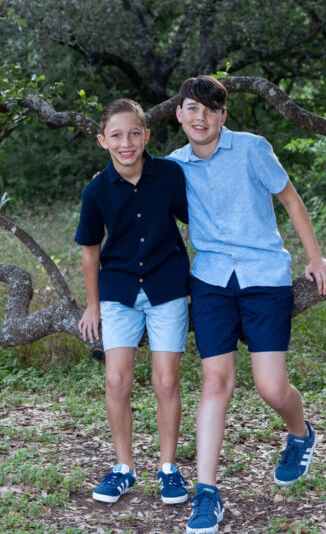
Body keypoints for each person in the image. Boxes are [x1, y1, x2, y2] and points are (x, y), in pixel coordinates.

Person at [168, 76, 326, 534]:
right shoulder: (171, 167)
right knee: (215, 382)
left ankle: (301, 435)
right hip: (210, 282)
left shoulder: (251, 148)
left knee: (271, 388)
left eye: (209, 108)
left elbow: (290, 199)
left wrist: (316, 256)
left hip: (264, 277)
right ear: (178, 115)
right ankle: (207, 493)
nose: (199, 116)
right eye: (190, 108)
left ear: (222, 116)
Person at [75, 98, 193, 507]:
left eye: (133, 133)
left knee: (166, 381)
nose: (126, 143)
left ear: (146, 135)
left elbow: (198, 216)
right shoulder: (96, 190)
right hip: (119, 290)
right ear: (102, 141)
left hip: (166, 286)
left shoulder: (170, 175)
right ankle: (123, 467)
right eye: (116, 135)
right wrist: (93, 306)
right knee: (116, 380)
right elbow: (91, 251)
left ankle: (168, 468)